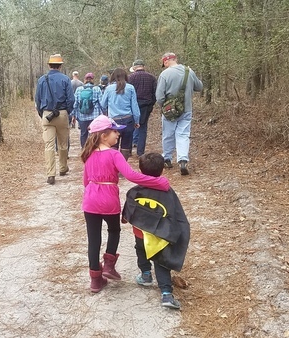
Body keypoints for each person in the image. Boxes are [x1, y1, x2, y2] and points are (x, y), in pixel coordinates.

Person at [80, 115, 170, 293]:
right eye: (115, 131)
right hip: (108, 200)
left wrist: (92, 194)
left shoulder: (88, 154)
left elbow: (85, 181)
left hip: (90, 201)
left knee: (94, 239)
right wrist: (158, 182)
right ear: (104, 135)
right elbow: (131, 176)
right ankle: (109, 266)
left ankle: (95, 281)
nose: (118, 134)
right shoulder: (114, 154)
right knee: (114, 230)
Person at [122, 153, 190, 309]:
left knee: (141, 250)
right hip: (160, 234)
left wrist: (126, 219)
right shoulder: (168, 192)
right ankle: (166, 294)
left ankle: (146, 275)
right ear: (162, 170)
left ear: (140, 170)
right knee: (161, 261)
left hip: (140, 233)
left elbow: (127, 213)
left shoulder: (134, 192)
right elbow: (175, 213)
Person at [156, 52, 203, 175]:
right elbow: (199, 87)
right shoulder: (189, 71)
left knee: (168, 134)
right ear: (175, 59)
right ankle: (182, 160)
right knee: (183, 134)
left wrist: (163, 107)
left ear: (166, 61)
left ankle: (167, 159)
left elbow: (159, 97)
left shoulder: (164, 74)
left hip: (169, 110)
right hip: (186, 109)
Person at [35, 54, 74, 185]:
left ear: (49, 65)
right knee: (63, 143)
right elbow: (71, 99)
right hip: (62, 113)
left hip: (47, 114)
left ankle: (50, 174)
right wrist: (67, 112)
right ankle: (63, 168)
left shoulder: (41, 80)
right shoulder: (65, 79)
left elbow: (37, 100)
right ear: (60, 65)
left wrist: (43, 113)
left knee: (49, 145)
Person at [99, 68, 140, 160]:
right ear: (125, 76)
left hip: (114, 121)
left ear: (113, 77)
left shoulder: (108, 89)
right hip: (128, 120)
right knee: (126, 146)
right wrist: (137, 120)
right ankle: (122, 167)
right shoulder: (130, 88)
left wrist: (106, 114)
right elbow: (135, 106)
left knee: (113, 144)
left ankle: (113, 166)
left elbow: (103, 104)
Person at [129, 59, 157, 157]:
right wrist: (152, 104)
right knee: (143, 128)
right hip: (146, 105)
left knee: (131, 126)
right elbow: (155, 93)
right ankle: (140, 152)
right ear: (143, 66)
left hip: (133, 105)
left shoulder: (130, 78)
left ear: (134, 67)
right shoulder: (152, 78)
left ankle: (128, 150)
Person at [72, 72, 103, 147]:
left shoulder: (79, 89)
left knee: (83, 134)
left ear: (85, 80)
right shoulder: (97, 89)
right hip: (94, 116)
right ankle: (93, 150)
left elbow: (75, 104)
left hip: (82, 116)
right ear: (92, 80)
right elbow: (101, 103)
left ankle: (84, 150)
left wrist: (73, 115)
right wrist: (104, 114)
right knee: (94, 134)